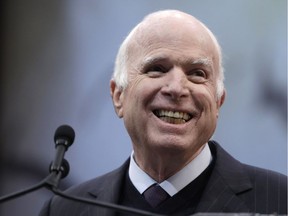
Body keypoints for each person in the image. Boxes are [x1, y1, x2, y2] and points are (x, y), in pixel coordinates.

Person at [39, 10, 287, 215]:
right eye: (157, 68)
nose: (177, 88)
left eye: (197, 73)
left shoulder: (278, 200)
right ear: (118, 96)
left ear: (218, 101)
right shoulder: (64, 209)